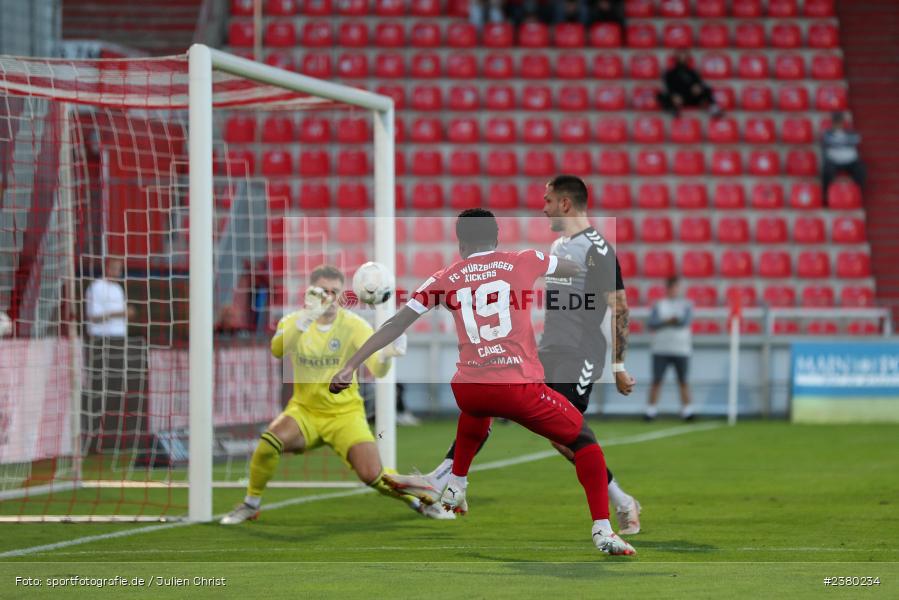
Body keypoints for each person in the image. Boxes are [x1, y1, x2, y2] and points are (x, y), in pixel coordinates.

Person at [331, 209, 637, 556]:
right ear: (497, 238)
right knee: (584, 440)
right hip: (518, 386)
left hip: (469, 388)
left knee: (477, 408)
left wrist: (350, 366)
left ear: (461, 243)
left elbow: (396, 325)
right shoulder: (523, 260)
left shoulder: (444, 276)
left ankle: (455, 482)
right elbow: (572, 270)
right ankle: (603, 530)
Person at [220, 265, 448, 525]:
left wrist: (387, 356)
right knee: (269, 442)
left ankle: (418, 499)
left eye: (334, 291)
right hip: (305, 412)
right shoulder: (293, 321)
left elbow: (377, 369)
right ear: (310, 291)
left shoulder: (354, 326)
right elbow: (277, 350)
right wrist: (307, 318)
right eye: (323, 290)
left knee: (373, 476)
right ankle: (251, 504)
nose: (328, 296)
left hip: (345, 415)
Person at [82, 257, 136, 453]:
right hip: (100, 342)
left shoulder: (118, 290)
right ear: (106, 267)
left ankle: (111, 439)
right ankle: (92, 439)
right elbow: (93, 317)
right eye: (114, 268)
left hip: (119, 341)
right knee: (97, 390)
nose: (117, 271)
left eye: (119, 268)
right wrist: (121, 313)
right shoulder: (96, 288)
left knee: (116, 389)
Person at [645, 276, 694, 422]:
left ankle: (687, 411)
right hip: (660, 348)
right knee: (656, 380)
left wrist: (665, 321)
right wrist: (668, 320)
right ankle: (650, 411)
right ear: (667, 289)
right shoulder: (659, 304)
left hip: (681, 348)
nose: (674, 290)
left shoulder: (686, 304)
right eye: (672, 287)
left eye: (676, 287)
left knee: (683, 380)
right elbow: (652, 323)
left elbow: (684, 322)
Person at [657, 50, 722, 118]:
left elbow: (699, 84)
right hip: (676, 98)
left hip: (690, 97)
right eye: (680, 56)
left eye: (684, 56)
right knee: (660, 95)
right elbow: (667, 87)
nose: (682, 58)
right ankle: (672, 110)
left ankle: (714, 109)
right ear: (676, 58)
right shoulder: (670, 73)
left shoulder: (692, 72)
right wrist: (673, 95)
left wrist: (698, 88)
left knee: (707, 90)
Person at [821, 112, 865, 201]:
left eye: (839, 121)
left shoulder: (850, 132)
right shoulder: (827, 133)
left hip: (850, 160)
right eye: (836, 122)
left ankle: (858, 192)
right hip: (834, 160)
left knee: (861, 169)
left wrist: (838, 142)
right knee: (827, 171)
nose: (838, 124)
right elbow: (827, 141)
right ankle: (826, 194)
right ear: (833, 123)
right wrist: (844, 141)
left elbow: (857, 139)